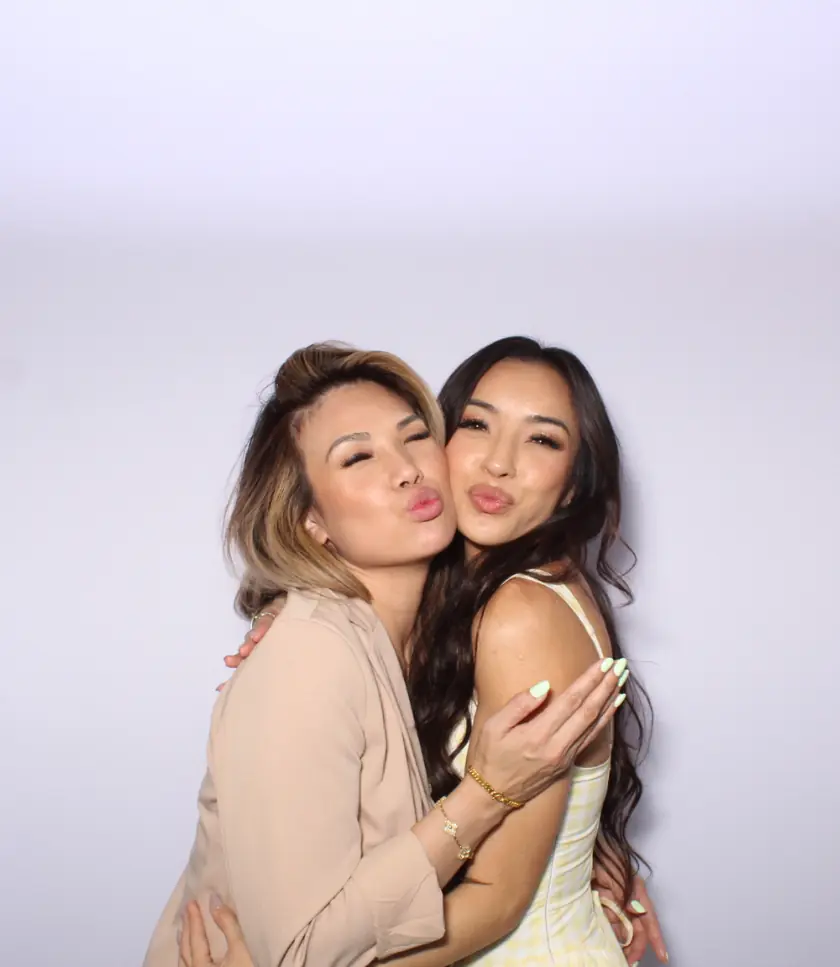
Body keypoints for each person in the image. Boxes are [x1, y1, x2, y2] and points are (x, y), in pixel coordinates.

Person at [186, 337, 669, 967]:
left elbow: (497, 901)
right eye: (475, 425)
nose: (499, 464)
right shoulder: (417, 619)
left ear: (576, 483)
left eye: (543, 440)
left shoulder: (519, 613)